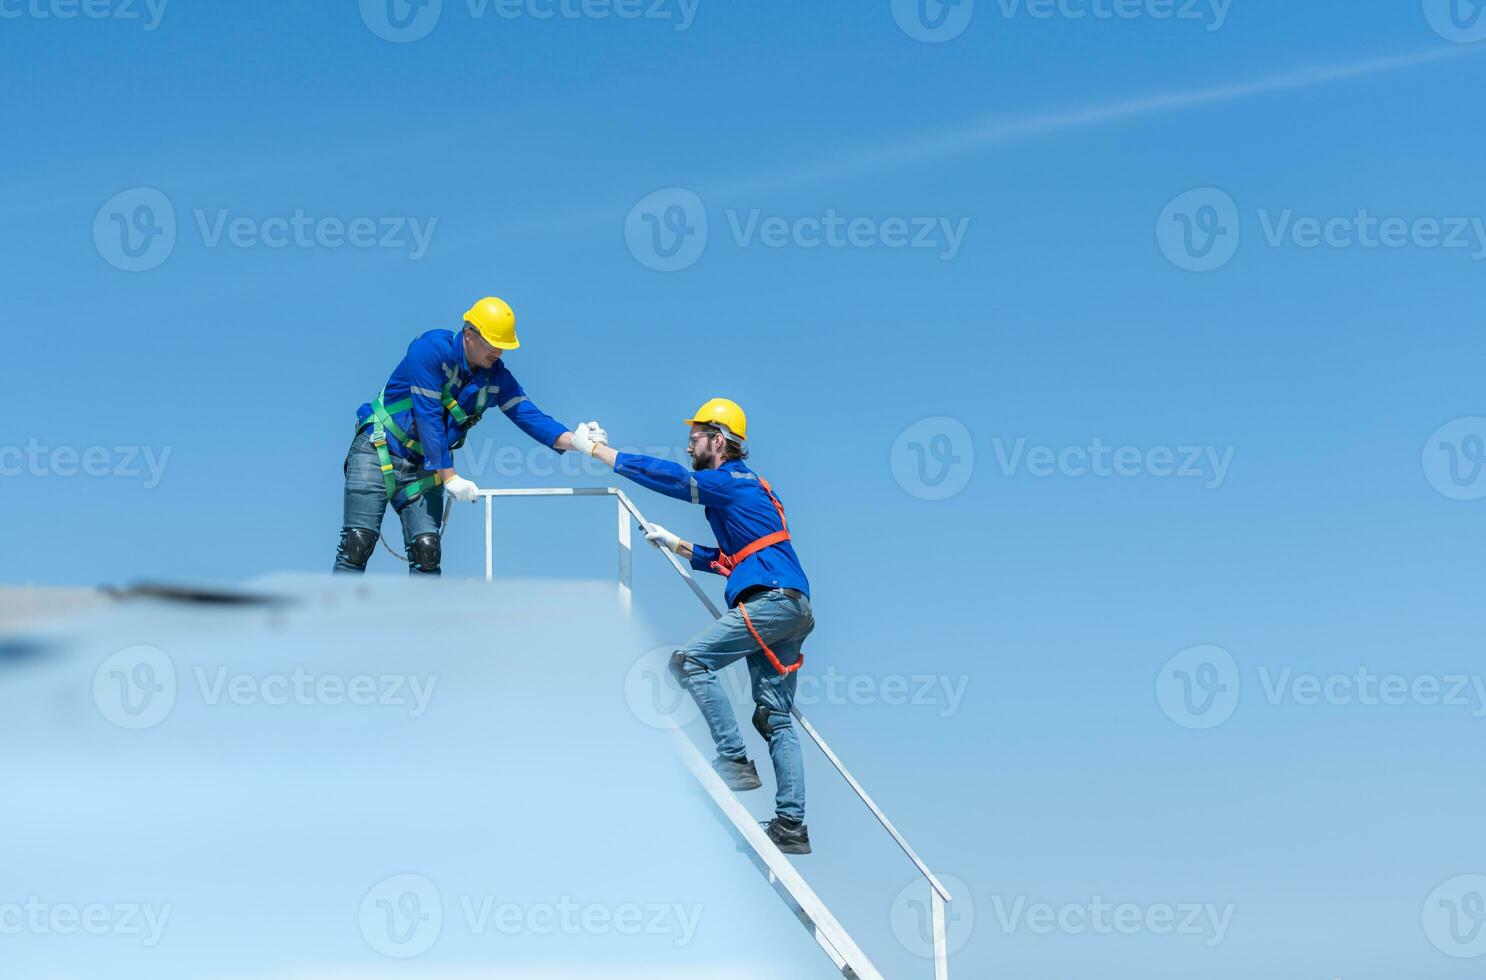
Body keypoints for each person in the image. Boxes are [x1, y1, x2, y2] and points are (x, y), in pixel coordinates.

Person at [571, 399, 816, 854]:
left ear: (718, 442)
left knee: (691, 662)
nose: (688, 445)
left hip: (771, 600)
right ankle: (791, 825)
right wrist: (676, 543)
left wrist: (603, 453)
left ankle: (734, 759)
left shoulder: (727, 481)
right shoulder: (753, 488)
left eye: (696, 437)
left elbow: (674, 480)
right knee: (774, 717)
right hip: (792, 604)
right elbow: (732, 559)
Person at [334, 297, 582, 575]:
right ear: (469, 335)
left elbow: (531, 417)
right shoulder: (429, 351)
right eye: (492, 343)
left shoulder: (497, 379)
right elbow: (427, 415)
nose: (498, 352)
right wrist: (449, 476)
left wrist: (577, 441)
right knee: (358, 543)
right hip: (378, 449)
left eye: (503, 346)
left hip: (424, 467)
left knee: (427, 552)